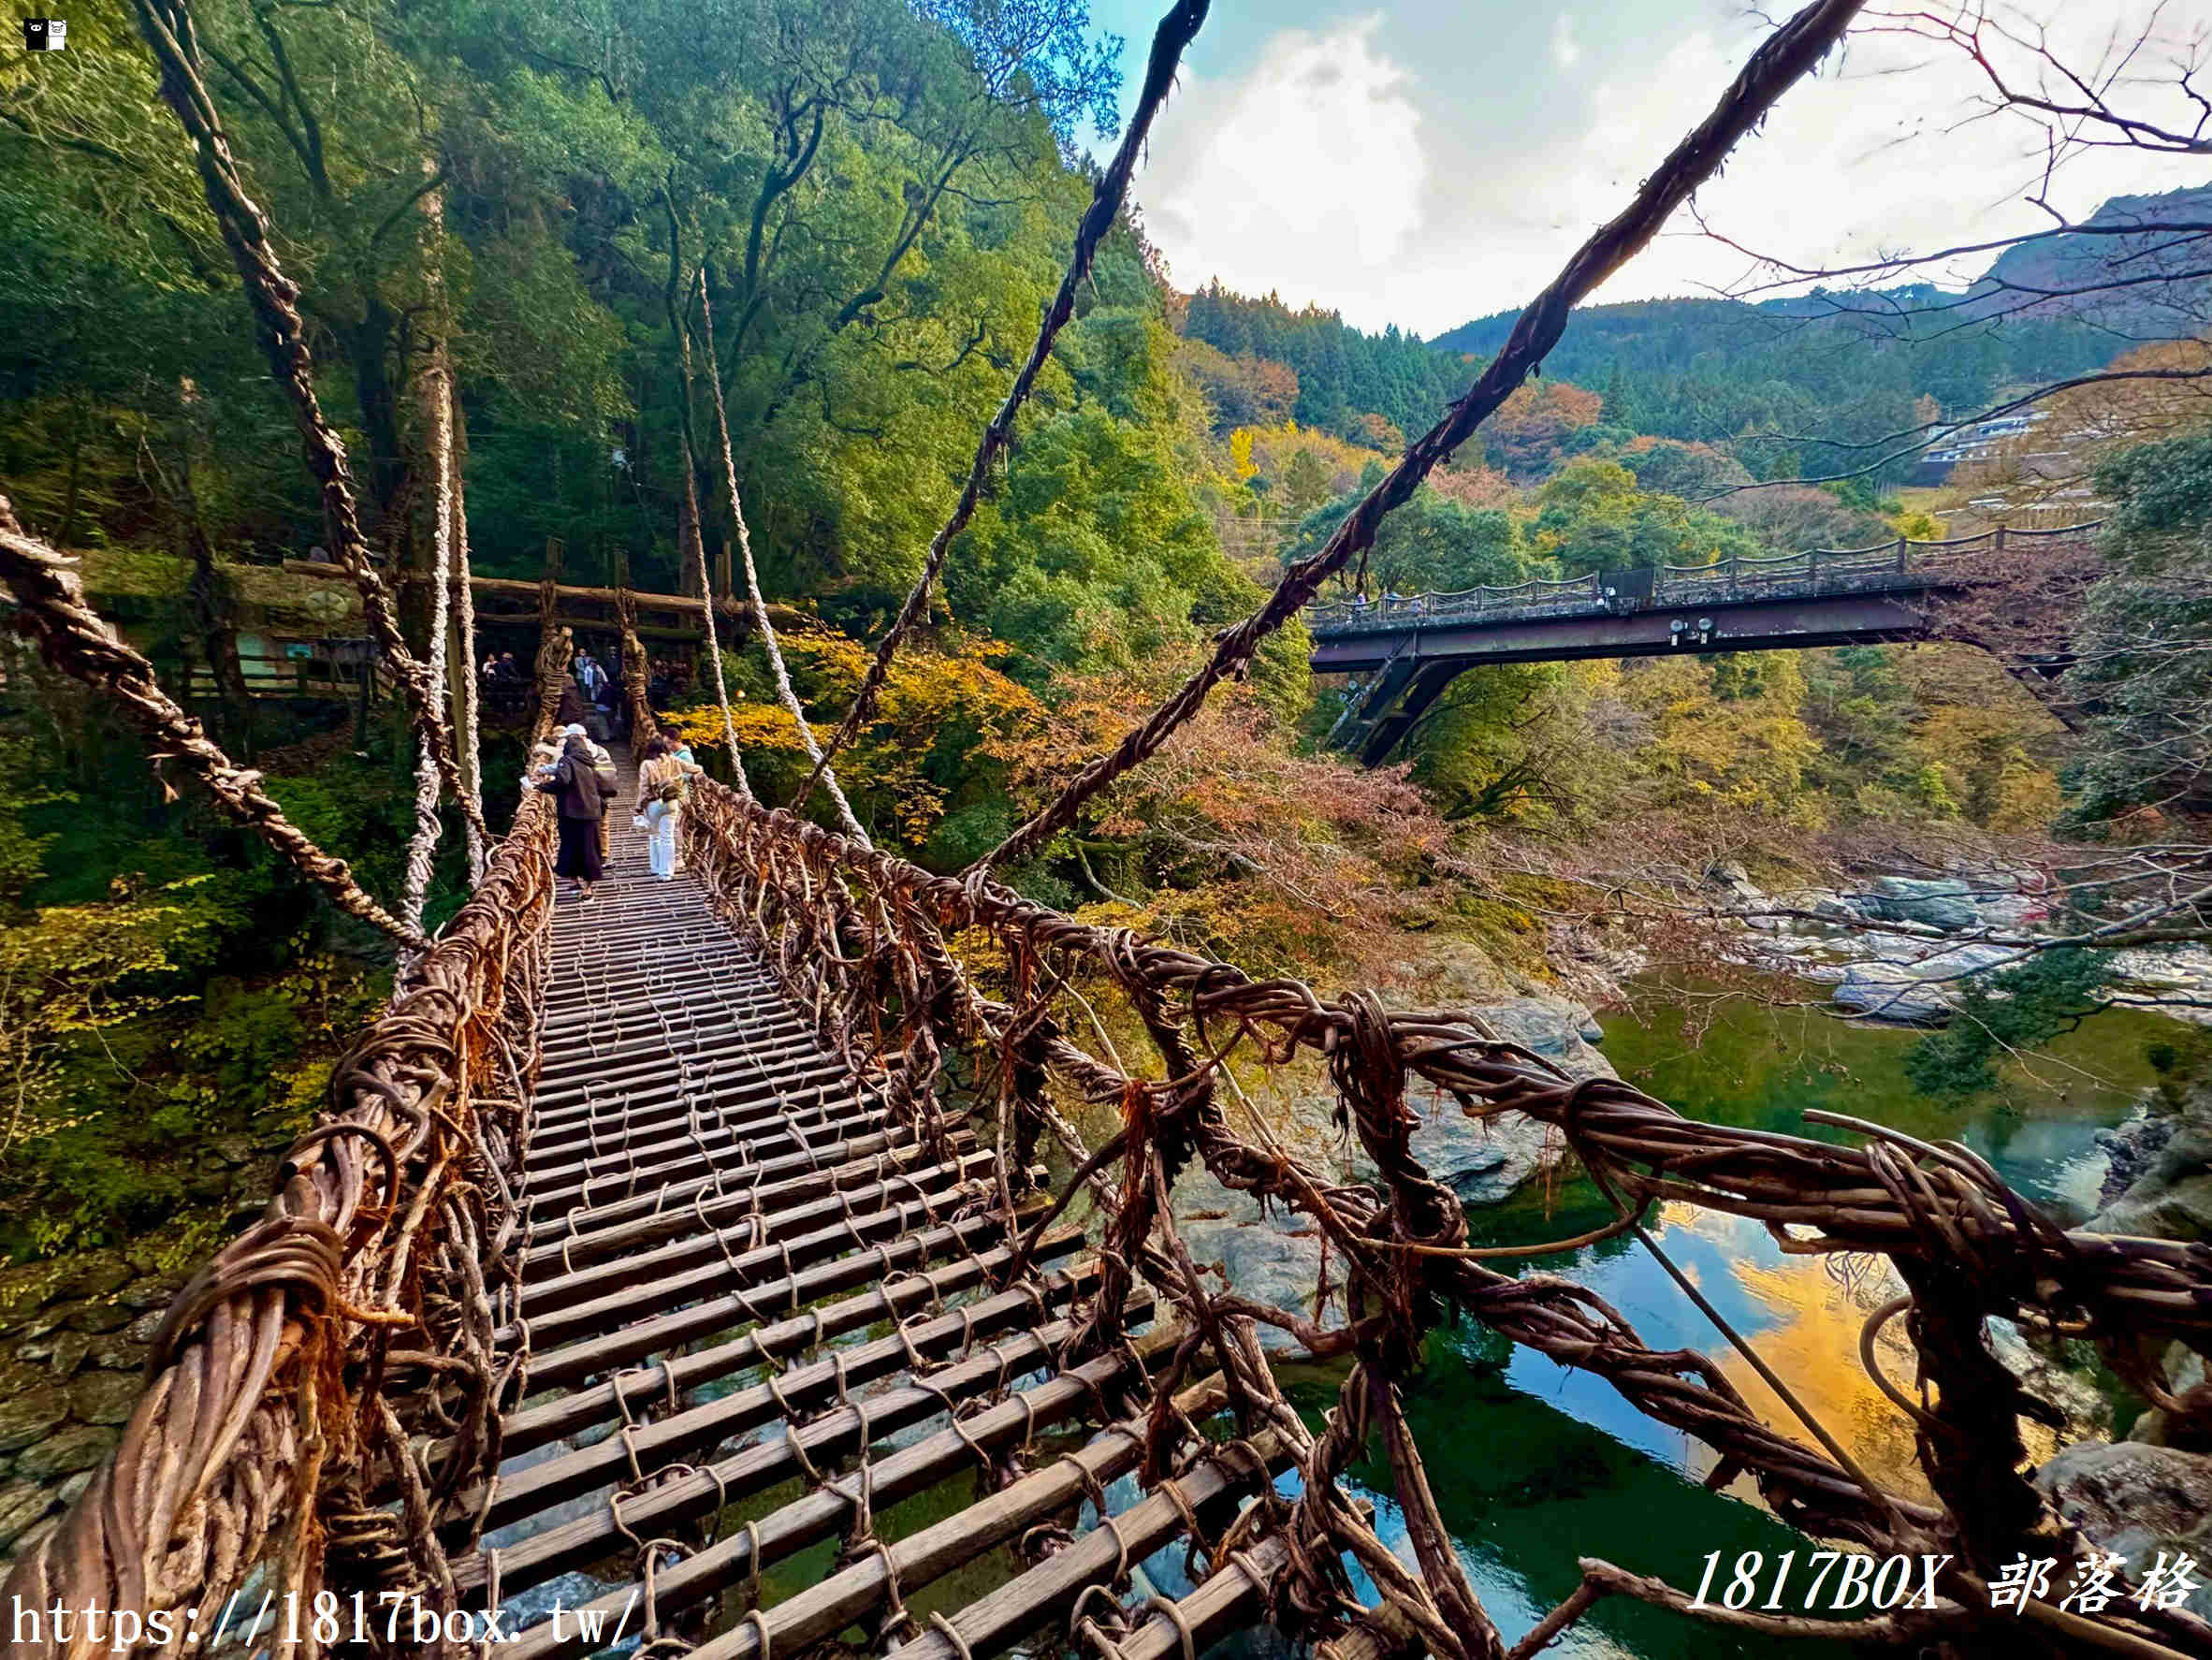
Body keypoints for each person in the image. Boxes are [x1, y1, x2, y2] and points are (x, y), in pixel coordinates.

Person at [542, 732, 616, 897]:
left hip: (571, 813)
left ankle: (574, 882)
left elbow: (563, 781)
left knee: (569, 847)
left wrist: (541, 787)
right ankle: (588, 887)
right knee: (590, 849)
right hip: (593, 812)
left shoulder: (566, 760)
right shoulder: (591, 762)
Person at [633, 735, 700, 881]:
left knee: (654, 836)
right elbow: (695, 768)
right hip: (671, 802)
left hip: (653, 803)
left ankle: (656, 867)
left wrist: (638, 807)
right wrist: (678, 779)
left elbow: (644, 788)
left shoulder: (647, 764)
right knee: (667, 837)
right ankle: (667, 873)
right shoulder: (673, 760)